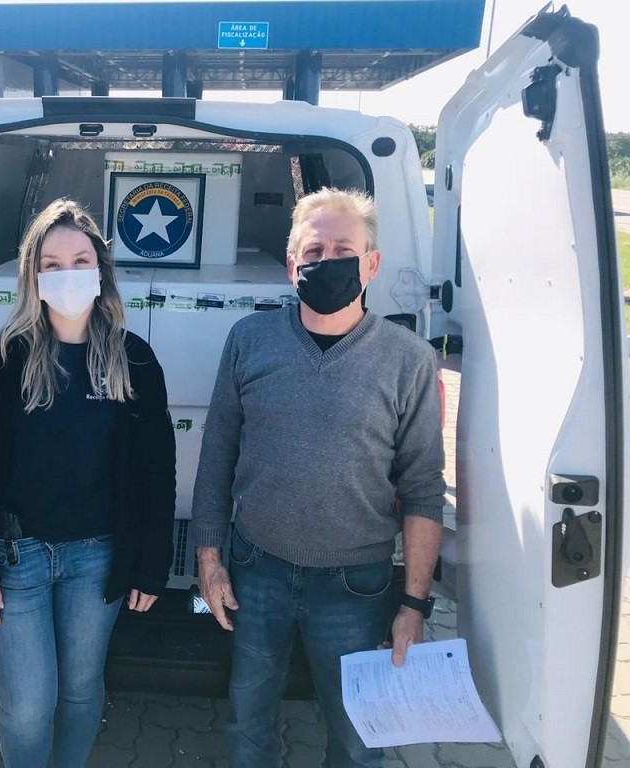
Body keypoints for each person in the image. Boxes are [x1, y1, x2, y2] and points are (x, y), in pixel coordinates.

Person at [191, 188, 445, 768]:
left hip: (356, 587)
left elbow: (423, 488)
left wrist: (414, 604)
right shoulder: (249, 340)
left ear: (371, 264)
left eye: (344, 251)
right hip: (257, 571)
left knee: (357, 739)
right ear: (292, 265)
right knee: (249, 722)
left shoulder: (409, 359)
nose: (327, 262)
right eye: (314, 251)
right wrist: (209, 558)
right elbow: (218, 454)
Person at [0, 198, 176, 768]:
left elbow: (156, 470)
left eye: (80, 261)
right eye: (51, 264)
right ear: (33, 275)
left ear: (101, 270)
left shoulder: (134, 360)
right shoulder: (2, 357)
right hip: (16, 557)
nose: (67, 274)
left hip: (97, 558)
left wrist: (152, 561)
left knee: (79, 692)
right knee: (28, 706)